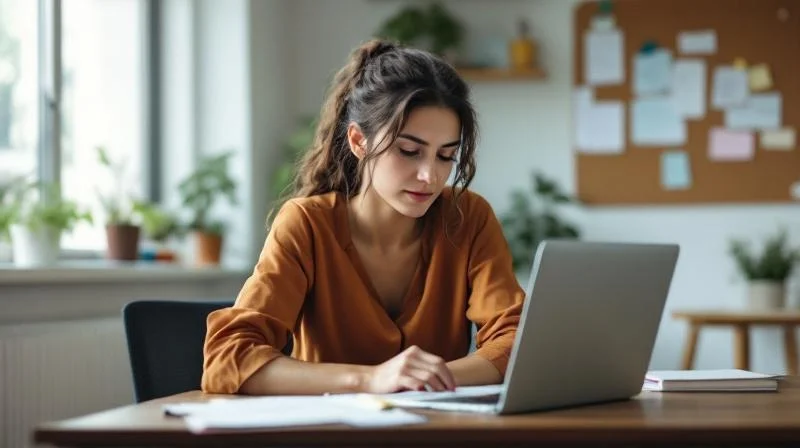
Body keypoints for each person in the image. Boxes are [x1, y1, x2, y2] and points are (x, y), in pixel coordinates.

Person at [202, 39, 524, 396]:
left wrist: (426, 379)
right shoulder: (307, 225)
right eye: (409, 151)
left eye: (445, 156)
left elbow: (516, 343)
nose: (429, 176)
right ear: (359, 141)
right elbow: (228, 356)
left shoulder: (469, 218)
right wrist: (371, 380)